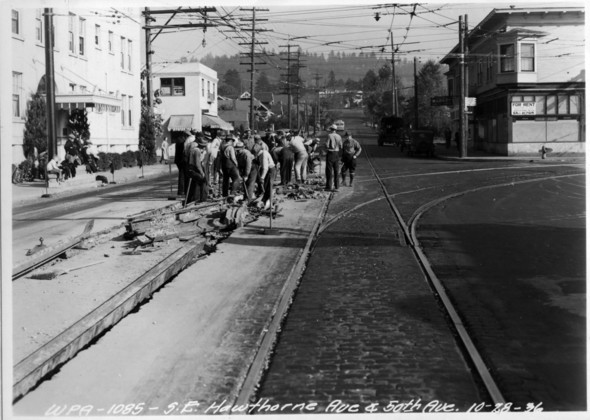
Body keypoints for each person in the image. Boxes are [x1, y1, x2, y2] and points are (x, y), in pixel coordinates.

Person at [186, 135, 209, 204]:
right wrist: (202, 173)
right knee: (203, 180)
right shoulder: (197, 151)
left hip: (190, 169)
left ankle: (196, 198)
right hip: (192, 170)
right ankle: (202, 199)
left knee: (198, 181)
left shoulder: (194, 149)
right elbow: (197, 164)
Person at [325, 124, 343, 191]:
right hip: (336, 154)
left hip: (330, 153)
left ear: (331, 129)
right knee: (336, 170)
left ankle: (329, 186)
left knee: (329, 170)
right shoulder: (339, 136)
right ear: (336, 130)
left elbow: (327, 145)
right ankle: (337, 186)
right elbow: (341, 146)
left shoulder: (329, 135)